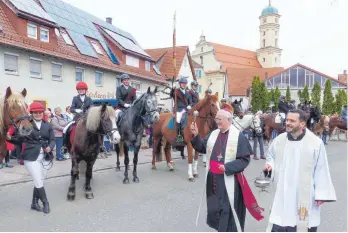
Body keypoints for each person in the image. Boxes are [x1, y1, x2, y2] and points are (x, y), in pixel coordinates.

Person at [190, 108, 264, 232]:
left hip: (229, 179)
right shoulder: (214, 134)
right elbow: (203, 147)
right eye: (216, 118)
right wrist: (196, 135)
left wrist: (228, 167)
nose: (217, 121)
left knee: (227, 209)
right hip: (213, 179)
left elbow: (244, 159)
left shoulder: (238, 136)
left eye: (220, 119)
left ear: (229, 120)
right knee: (216, 207)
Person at [264, 109, 336, 232]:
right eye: (287, 120)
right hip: (283, 193)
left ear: (302, 123)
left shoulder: (315, 143)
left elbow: (321, 168)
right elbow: (270, 156)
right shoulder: (279, 140)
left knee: (302, 224)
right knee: (279, 223)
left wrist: (321, 194)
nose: (287, 123)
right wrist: (269, 165)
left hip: (304, 195)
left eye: (292, 121)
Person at [6, 102, 55, 214]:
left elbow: (52, 140)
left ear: (43, 113)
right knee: (38, 180)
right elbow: (20, 140)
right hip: (31, 157)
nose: (38, 114)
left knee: (39, 181)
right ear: (31, 113)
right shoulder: (27, 125)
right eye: (35, 112)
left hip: (46, 157)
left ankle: (34, 203)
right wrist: (9, 139)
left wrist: (50, 147)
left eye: (40, 112)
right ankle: (45, 202)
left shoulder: (47, 125)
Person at [61, 82, 93, 154]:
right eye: (79, 89)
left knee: (96, 128)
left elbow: (91, 108)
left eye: (82, 89)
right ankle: (64, 146)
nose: (81, 90)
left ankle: (101, 146)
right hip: (77, 117)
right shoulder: (75, 98)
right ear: (77, 90)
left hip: (87, 117)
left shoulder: (89, 99)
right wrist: (76, 110)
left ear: (85, 90)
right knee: (66, 128)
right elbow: (72, 108)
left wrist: (87, 111)